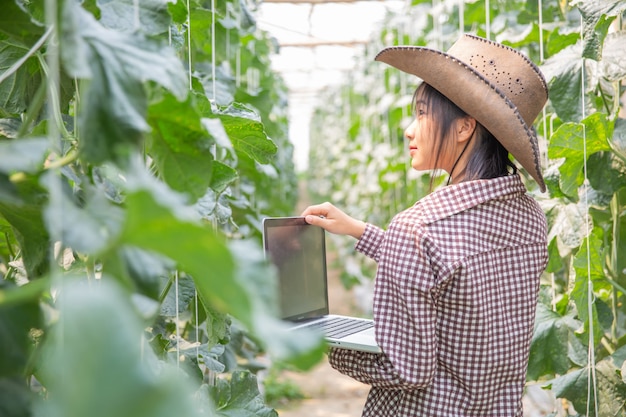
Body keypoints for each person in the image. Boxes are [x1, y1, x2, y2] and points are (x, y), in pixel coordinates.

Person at [301, 34, 550, 416]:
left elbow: (407, 369)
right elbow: (453, 271)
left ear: (465, 127)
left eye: (421, 113)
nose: (409, 129)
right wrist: (358, 230)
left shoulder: (418, 229)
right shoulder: (530, 217)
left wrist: (325, 343)